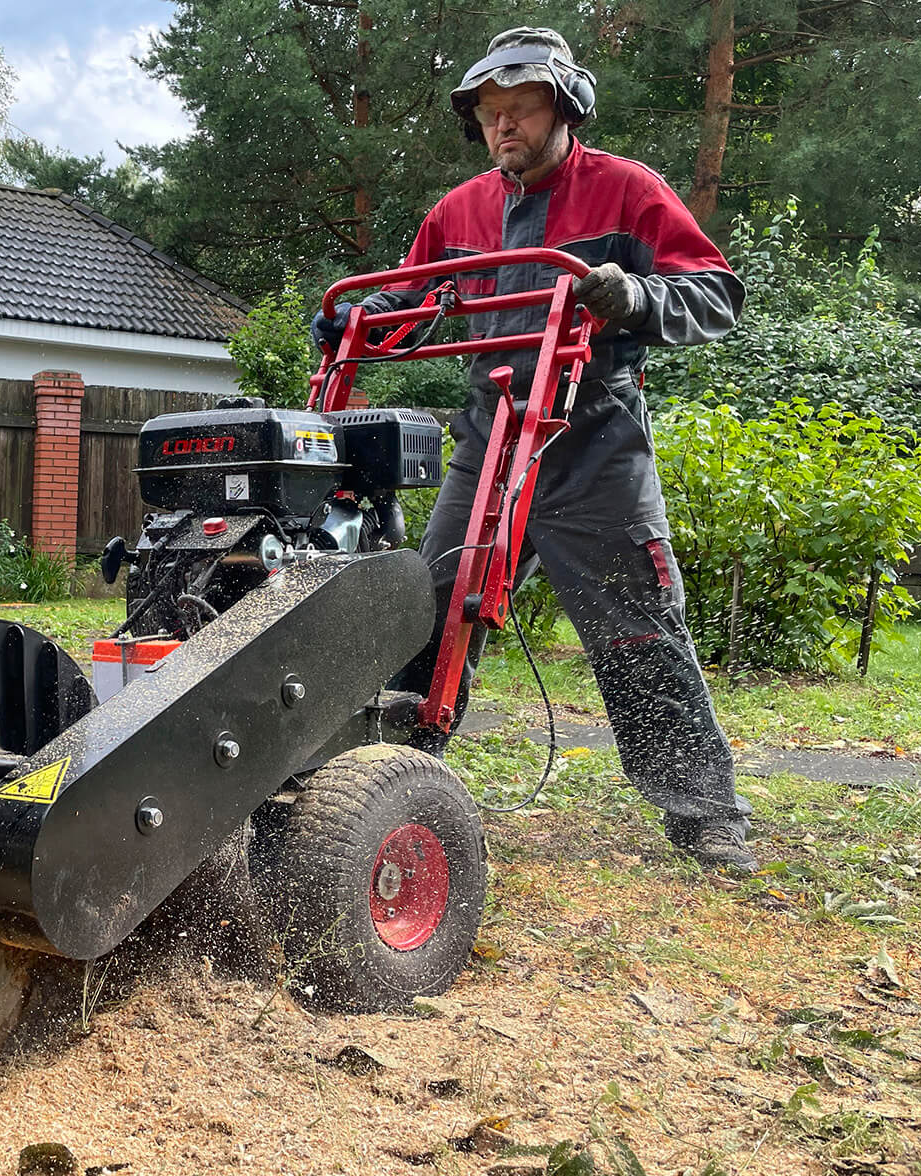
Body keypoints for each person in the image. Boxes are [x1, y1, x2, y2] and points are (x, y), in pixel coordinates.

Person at [312, 27, 757, 874]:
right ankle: (399, 778)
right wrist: (351, 319)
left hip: (594, 434)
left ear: (564, 109)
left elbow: (715, 293)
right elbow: (411, 303)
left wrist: (636, 294)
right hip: (491, 429)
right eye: (489, 115)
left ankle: (704, 814)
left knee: (638, 624)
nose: (503, 127)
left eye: (519, 109)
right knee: (434, 599)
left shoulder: (628, 193)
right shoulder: (460, 212)